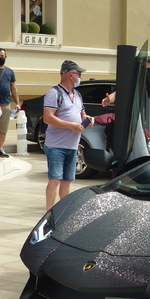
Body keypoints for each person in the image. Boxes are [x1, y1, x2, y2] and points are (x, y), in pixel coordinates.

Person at [43, 60, 93, 211]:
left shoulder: (77, 94)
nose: (80, 78)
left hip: (72, 146)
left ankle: (62, 213)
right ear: (71, 75)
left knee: (66, 181)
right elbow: (48, 118)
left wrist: (87, 120)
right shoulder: (54, 93)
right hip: (56, 146)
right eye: (79, 74)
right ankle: (49, 213)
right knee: (55, 180)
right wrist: (71, 125)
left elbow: (82, 114)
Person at [0, 48, 20, 157]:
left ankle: (0, 148)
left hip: (6, 103)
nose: (0, 57)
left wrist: (17, 103)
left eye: (2, 56)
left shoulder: (10, 72)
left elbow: (14, 88)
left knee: (3, 127)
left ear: (5, 57)